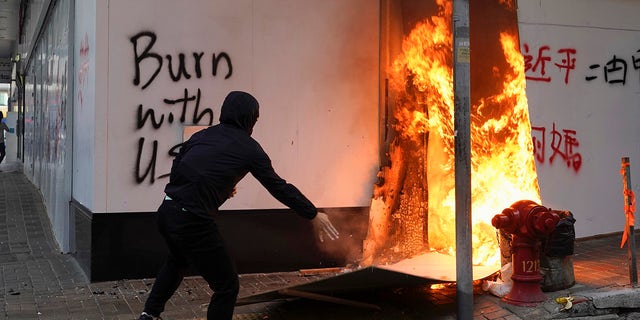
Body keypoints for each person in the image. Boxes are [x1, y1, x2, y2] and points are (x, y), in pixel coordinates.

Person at [139, 91, 339, 320]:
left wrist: (210, 189)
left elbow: (180, 163)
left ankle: (149, 315)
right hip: (192, 221)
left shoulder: (203, 135)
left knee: (177, 261)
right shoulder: (250, 149)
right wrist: (312, 213)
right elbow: (279, 187)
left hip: (166, 212)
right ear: (249, 119)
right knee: (227, 286)